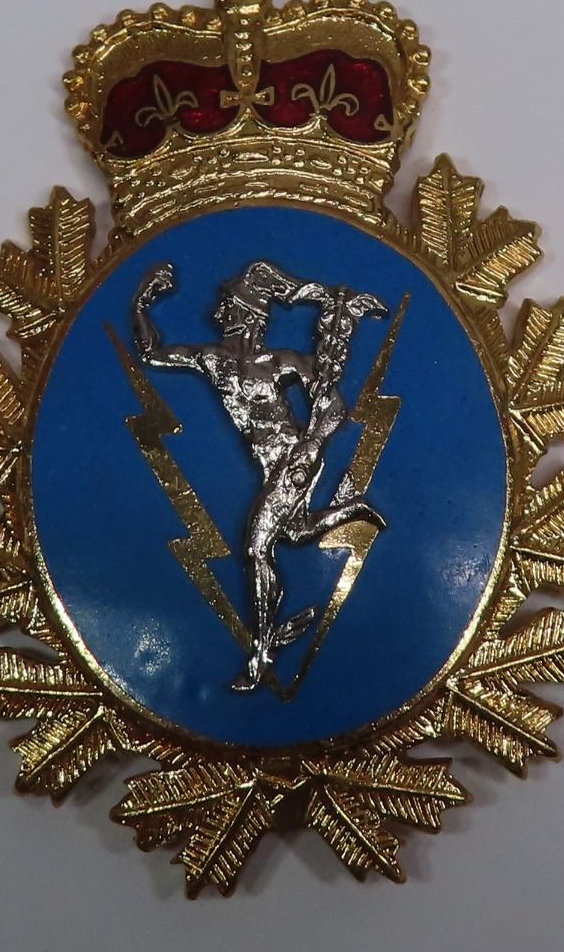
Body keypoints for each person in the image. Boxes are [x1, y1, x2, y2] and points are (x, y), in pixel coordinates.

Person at [132, 257, 386, 693]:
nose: (217, 313)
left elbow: (334, 408)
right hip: (270, 465)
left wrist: (312, 444)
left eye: (226, 306)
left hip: (295, 459)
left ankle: (262, 652)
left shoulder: (281, 362)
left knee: (256, 547)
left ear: (247, 314)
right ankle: (353, 509)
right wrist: (141, 303)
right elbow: (153, 354)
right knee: (296, 532)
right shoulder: (212, 360)